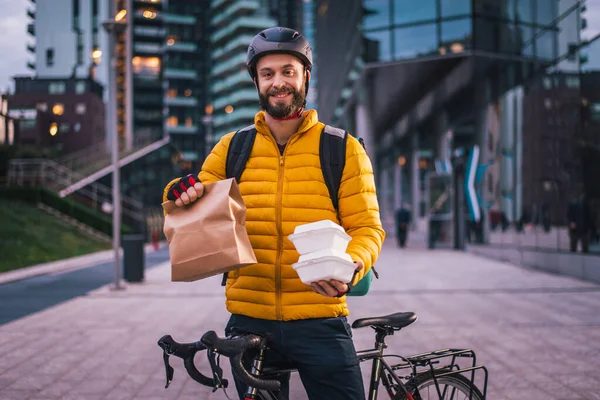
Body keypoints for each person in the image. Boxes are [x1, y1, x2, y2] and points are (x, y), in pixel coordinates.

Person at [162, 27, 385, 400]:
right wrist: (176, 191)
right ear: (256, 81)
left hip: (320, 317)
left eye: (288, 71)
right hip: (250, 319)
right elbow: (194, 197)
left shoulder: (341, 148)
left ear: (305, 77)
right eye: (268, 74)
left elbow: (367, 228)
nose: (278, 82)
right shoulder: (233, 147)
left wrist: (351, 266)